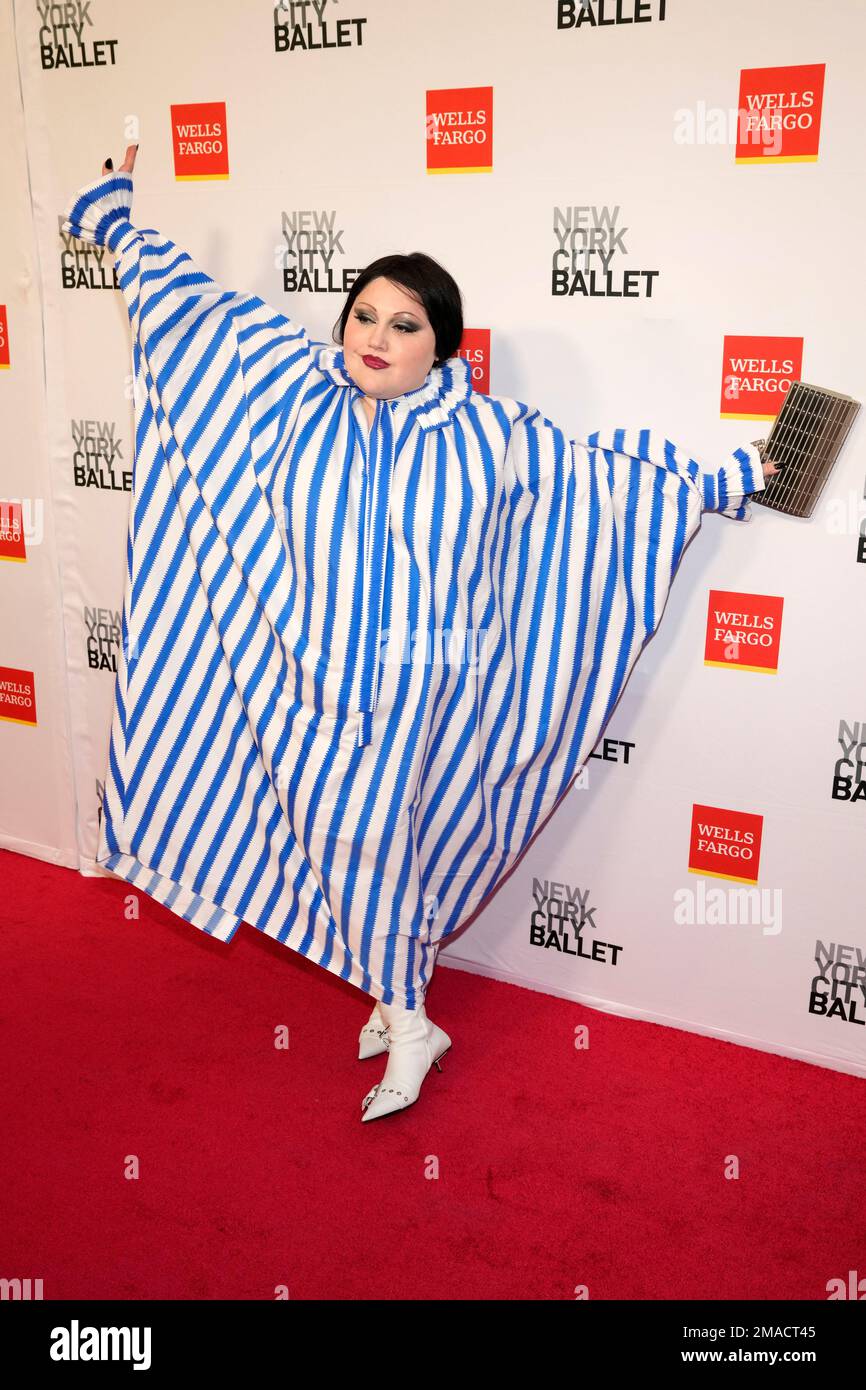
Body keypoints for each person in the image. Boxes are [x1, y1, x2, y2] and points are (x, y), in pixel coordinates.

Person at [62, 143, 779, 1124]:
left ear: (438, 344)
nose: (375, 335)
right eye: (363, 314)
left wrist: (732, 470)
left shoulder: (489, 436)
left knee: (373, 846)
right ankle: (394, 998)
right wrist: (118, 217)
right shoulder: (288, 389)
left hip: (411, 703)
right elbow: (194, 319)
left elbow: (603, 479)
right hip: (292, 689)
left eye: (403, 324)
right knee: (323, 843)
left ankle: (407, 1017)